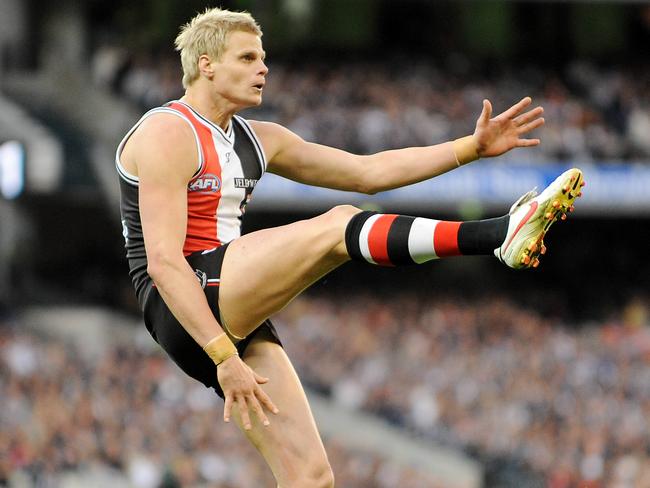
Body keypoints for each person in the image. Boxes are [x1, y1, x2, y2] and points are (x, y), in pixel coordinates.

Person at [116, 7, 583, 487]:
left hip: (231, 303)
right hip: (182, 304)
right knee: (339, 225)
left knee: (312, 478)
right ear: (207, 64)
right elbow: (165, 264)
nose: (264, 69)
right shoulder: (168, 132)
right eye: (248, 57)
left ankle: (501, 234)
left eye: (264, 58)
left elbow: (367, 173)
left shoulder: (260, 139)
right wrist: (224, 358)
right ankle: (496, 234)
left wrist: (471, 148)